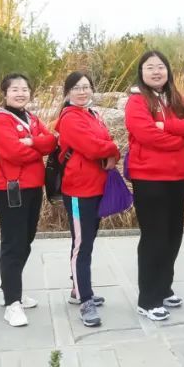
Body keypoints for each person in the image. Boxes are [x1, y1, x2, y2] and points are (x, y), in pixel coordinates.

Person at [124, 50, 184, 322]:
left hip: (178, 175)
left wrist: (165, 126)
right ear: (141, 73)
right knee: (154, 237)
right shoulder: (136, 101)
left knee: (173, 234)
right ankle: (148, 299)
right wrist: (179, 138)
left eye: (160, 67)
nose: (156, 72)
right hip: (149, 177)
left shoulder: (175, 97)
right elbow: (146, 135)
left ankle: (164, 287)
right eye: (150, 67)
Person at [0, 73, 57, 327]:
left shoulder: (31, 117)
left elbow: (52, 142)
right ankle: (12, 303)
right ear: (4, 94)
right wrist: (36, 147)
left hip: (33, 186)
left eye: (24, 89)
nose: (20, 93)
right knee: (13, 243)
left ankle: (11, 288)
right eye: (14, 89)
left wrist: (32, 141)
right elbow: (13, 153)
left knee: (25, 240)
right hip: (11, 188)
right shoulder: (0, 120)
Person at [54, 71, 121, 328]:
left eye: (86, 87)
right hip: (78, 190)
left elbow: (104, 140)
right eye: (76, 88)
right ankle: (85, 300)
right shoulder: (69, 118)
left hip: (96, 186)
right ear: (68, 92)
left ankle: (78, 289)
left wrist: (108, 147)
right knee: (81, 245)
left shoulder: (92, 114)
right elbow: (94, 147)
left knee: (87, 242)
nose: (82, 92)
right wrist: (112, 149)